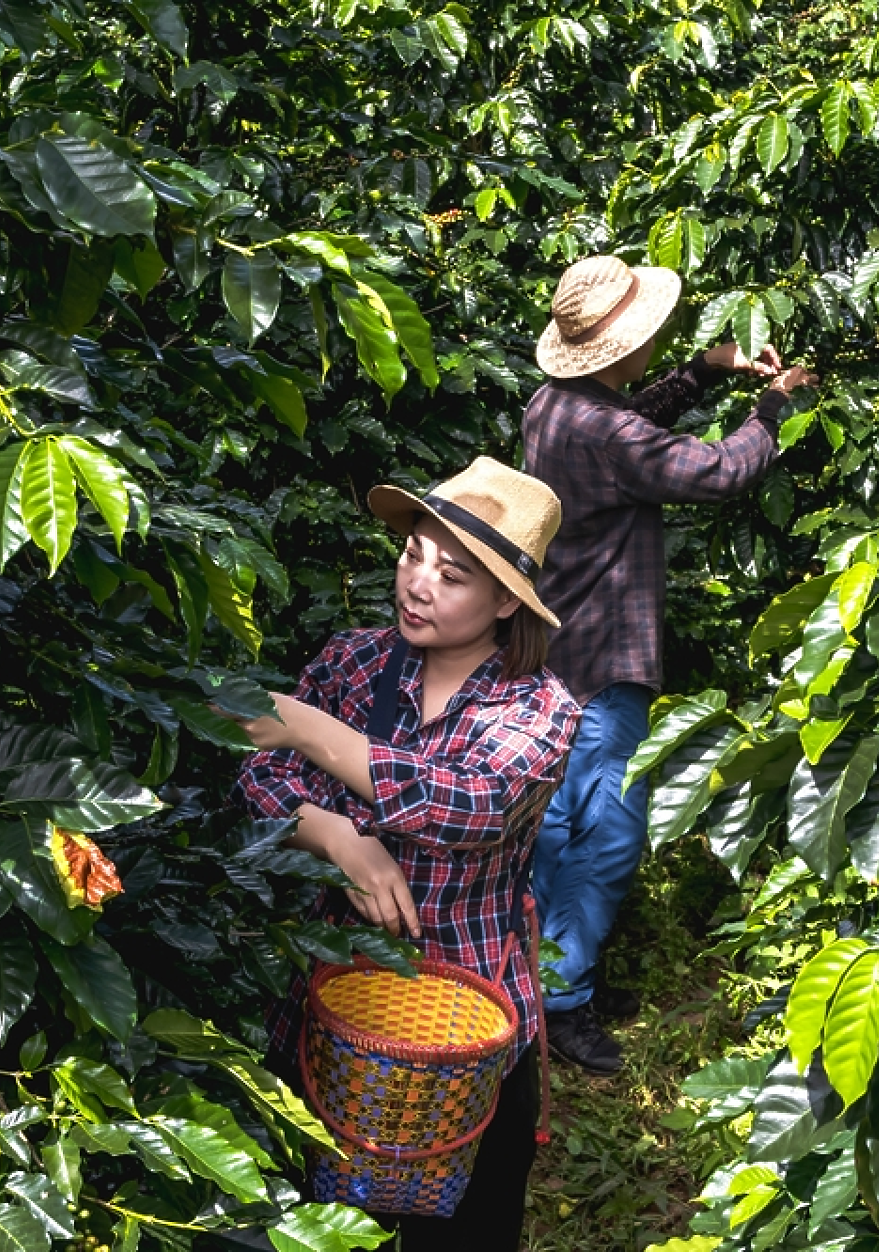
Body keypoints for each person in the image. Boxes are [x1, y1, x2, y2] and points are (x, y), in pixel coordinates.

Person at [231, 456, 582, 1249]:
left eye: (452, 575)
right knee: (310, 1222)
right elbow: (259, 772)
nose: (418, 583)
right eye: (412, 555)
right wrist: (333, 835)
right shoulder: (355, 659)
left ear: (504, 602)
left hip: (468, 1016)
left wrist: (311, 730)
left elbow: (472, 801)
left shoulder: (538, 707)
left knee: (463, 1231)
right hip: (325, 1005)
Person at [524, 254, 818, 1076]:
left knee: (553, 823)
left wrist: (703, 371)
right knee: (607, 832)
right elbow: (712, 471)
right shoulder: (605, 428)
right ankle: (560, 999)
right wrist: (771, 405)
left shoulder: (553, 404)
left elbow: (632, 427)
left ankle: (542, 973)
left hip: (552, 642)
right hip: (602, 653)